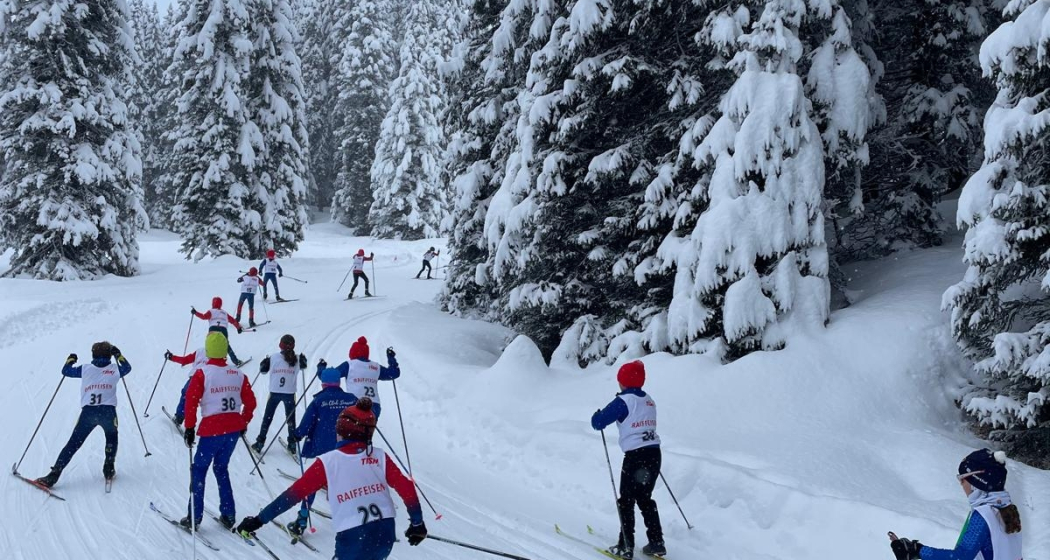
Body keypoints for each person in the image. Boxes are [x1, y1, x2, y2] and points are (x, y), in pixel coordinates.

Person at [235, 398, 428, 559]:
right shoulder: (379, 456)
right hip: (385, 533)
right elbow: (407, 488)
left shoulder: (328, 462)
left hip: (354, 536)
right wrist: (417, 523)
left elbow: (292, 496)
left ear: (341, 430)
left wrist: (259, 520)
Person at [181, 332, 257, 530]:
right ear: (225, 350)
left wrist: (189, 427)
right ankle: (229, 513)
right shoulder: (238, 373)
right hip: (232, 430)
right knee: (221, 468)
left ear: (208, 350)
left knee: (199, 469)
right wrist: (243, 421)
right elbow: (251, 402)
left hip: (211, 431)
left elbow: (191, 401)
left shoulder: (202, 373)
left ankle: (194, 517)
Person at [889, 449, 1023, 560]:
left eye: (962, 479)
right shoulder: (1007, 508)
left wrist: (915, 550)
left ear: (977, 484)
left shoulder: (984, 516)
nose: (961, 484)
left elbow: (961, 557)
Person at [590, 360, 665, 560]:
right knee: (645, 498)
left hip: (635, 457)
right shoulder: (649, 399)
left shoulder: (623, 400)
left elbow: (598, 423)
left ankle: (626, 546)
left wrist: (597, 415)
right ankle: (657, 542)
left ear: (623, 382)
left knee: (626, 500)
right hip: (653, 454)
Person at [35, 342, 131, 487]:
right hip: (108, 413)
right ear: (109, 355)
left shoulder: (86, 369)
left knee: (73, 444)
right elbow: (127, 368)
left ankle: (53, 475)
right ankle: (109, 468)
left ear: (93, 355)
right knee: (111, 437)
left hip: (89, 413)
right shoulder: (114, 368)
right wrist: (119, 355)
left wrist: (71, 360)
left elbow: (66, 371)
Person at [283, 363, 358, 536]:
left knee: (312, 484)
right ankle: (358, 519)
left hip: (324, 449)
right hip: (347, 448)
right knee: (347, 482)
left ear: (323, 383)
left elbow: (306, 425)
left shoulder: (318, 401)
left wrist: (296, 435)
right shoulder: (351, 399)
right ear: (338, 383)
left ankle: (302, 520)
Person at [251, 334, 307, 455]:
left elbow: (263, 370)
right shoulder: (297, 358)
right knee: (291, 419)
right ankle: (292, 444)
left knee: (267, 418)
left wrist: (264, 362)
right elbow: (304, 366)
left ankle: (260, 443)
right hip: (289, 393)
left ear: (280, 345)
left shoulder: (273, 357)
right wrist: (303, 360)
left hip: (275, 392)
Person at [335, 337, 399, 418]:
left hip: (355, 403)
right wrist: (391, 358)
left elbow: (328, 376)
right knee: (367, 428)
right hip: (374, 405)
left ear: (352, 353)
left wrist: (321, 368)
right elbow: (393, 373)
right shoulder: (375, 367)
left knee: (353, 428)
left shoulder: (349, 365)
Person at [192, 297, 244, 365]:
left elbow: (203, 317)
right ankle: (235, 361)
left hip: (213, 329)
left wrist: (195, 312)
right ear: (221, 304)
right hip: (223, 329)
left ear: (213, 303)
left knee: (210, 344)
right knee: (226, 345)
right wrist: (238, 328)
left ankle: (209, 362)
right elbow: (233, 321)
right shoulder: (224, 313)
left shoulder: (211, 311)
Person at [163, 346, 207, 425]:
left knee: (187, 395)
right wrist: (172, 357)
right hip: (205, 378)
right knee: (191, 396)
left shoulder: (202, 351)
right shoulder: (202, 351)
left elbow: (185, 360)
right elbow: (186, 360)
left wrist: (172, 357)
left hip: (198, 378)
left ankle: (180, 417)